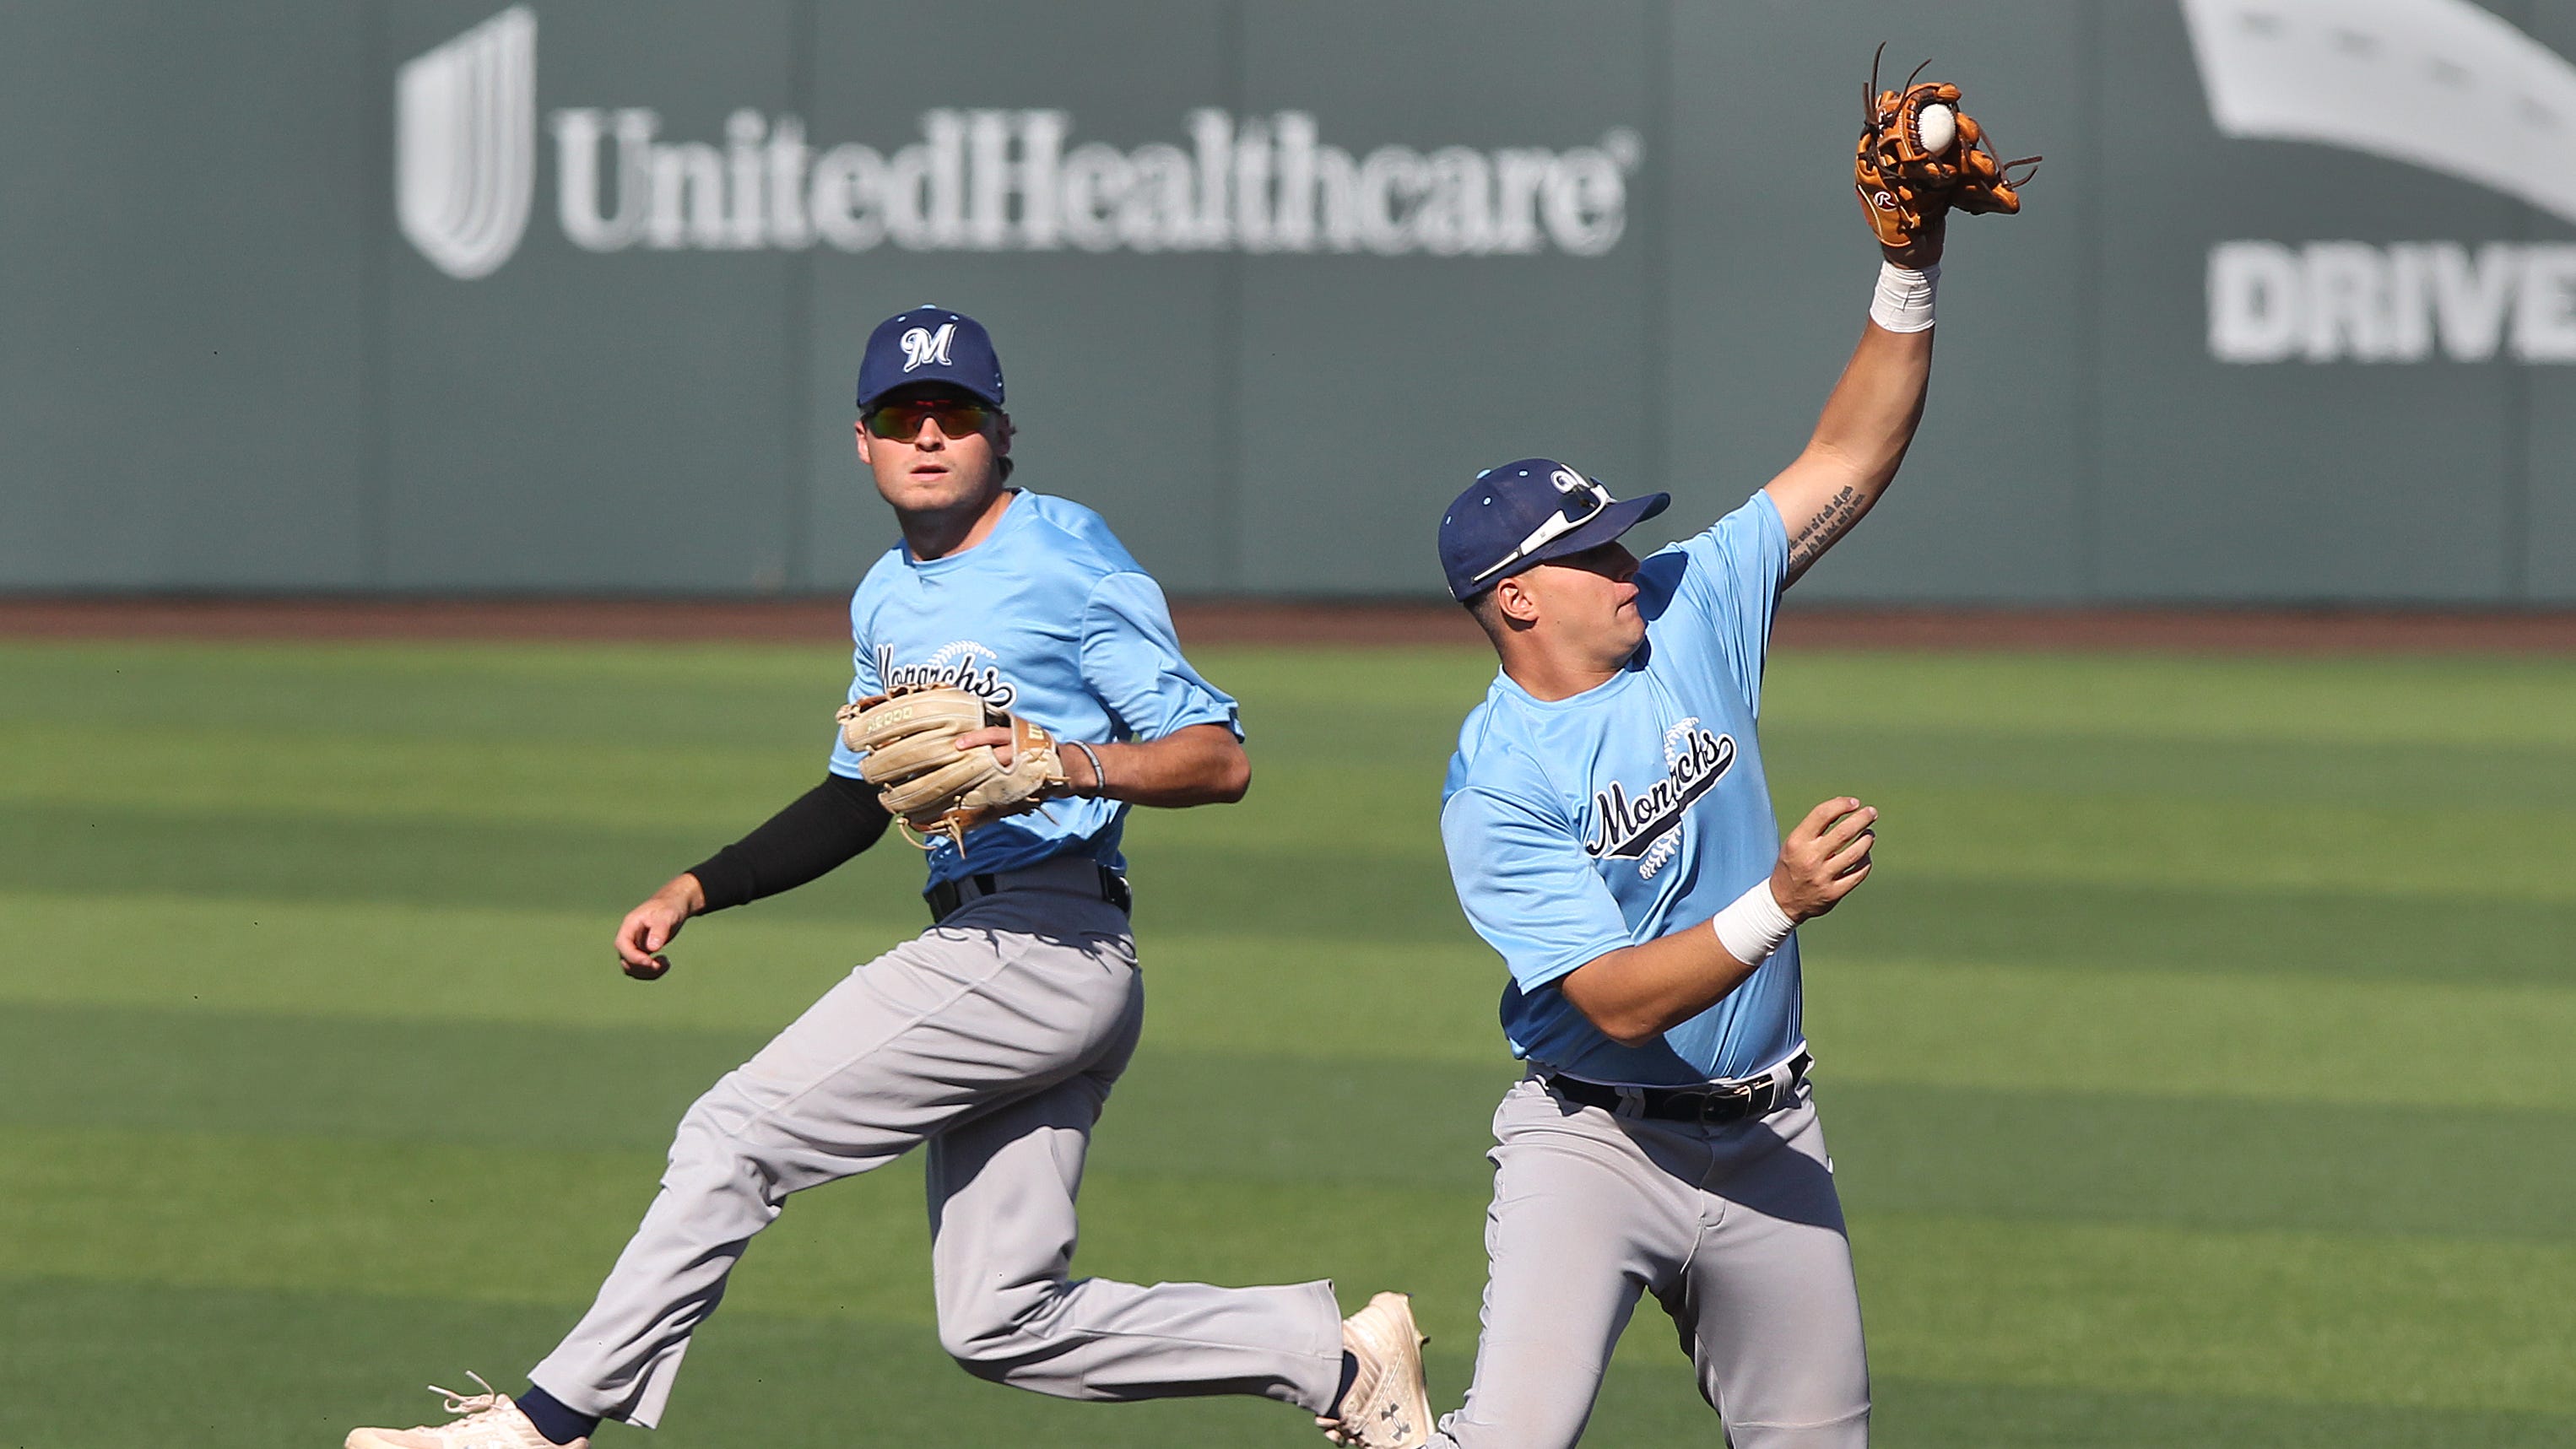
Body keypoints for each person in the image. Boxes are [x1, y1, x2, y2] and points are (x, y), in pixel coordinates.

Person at [346, 306, 1431, 1449]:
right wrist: (695, 886)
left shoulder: (1069, 558)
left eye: (954, 412)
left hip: (1039, 943)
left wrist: (1066, 761)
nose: (927, 434)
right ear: (859, 442)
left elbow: (1219, 756)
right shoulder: (883, 596)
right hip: (1017, 956)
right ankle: (1337, 1362)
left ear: (1001, 434)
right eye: (898, 415)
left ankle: (542, 1424)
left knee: (734, 1133)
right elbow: (859, 794)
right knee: (998, 1318)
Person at [1419, 199, 1959, 1447]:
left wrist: (1910, 264)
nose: (1627, 561)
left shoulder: (1689, 605)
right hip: (1594, 1146)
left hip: (1773, 1138)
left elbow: (1849, 458)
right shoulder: (1495, 782)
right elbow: (1610, 998)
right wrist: (1779, 900)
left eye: (1621, 537)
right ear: (1516, 601)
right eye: (1593, 552)